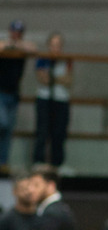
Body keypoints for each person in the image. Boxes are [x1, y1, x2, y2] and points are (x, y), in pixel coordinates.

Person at [0, 21, 37, 176]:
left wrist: (17, 45)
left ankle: (3, 162)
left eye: (19, 32)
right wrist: (11, 44)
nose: (16, 34)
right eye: (14, 32)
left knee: (8, 130)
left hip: (13, 93)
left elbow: (33, 49)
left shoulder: (21, 48)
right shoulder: (5, 45)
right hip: (0, 92)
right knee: (2, 123)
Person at [33, 33, 73, 167]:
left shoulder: (66, 60)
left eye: (58, 45)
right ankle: (39, 162)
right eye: (53, 44)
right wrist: (58, 79)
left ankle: (58, 164)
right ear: (48, 45)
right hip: (44, 99)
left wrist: (52, 78)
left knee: (59, 133)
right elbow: (43, 79)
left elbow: (68, 80)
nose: (55, 48)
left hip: (61, 100)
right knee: (42, 132)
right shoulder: (42, 59)